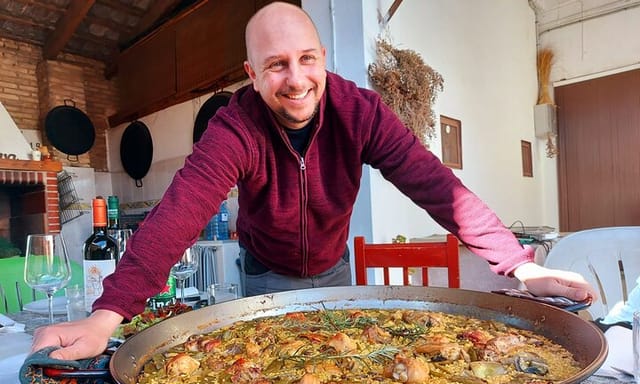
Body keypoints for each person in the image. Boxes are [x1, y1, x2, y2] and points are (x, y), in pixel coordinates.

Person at [32, 2, 596, 361]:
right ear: (252, 75)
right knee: (265, 366)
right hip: (263, 275)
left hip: (334, 269)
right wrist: (108, 317)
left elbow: (437, 186)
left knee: (336, 364)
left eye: (307, 59)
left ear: (323, 58)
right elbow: (178, 214)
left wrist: (522, 265)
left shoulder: (362, 112)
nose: (296, 79)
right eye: (276, 65)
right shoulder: (234, 130)